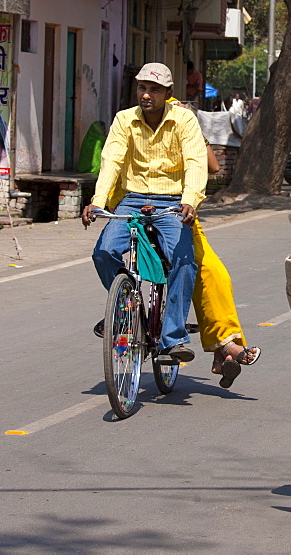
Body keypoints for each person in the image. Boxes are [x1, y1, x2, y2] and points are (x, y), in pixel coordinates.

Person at [82, 62, 207, 364]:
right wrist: (98, 201)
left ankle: (173, 337)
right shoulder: (124, 120)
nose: (147, 95)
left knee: (184, 261)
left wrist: (190, 199)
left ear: (167, 93)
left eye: (154, 89)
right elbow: (111, 160)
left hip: (172, 201)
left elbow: (195, 161)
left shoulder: (184, 121)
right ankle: (124, 307)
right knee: (104, 252)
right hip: (133, 198)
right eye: (142, 88)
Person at [191, 142, 261, 388]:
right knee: (200, 272)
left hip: (185, 222)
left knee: (216, 275)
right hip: (148, 216)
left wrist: (198, 135)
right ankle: (227, 349)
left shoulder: (187, 133)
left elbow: (213, 166)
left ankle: (224, 350)